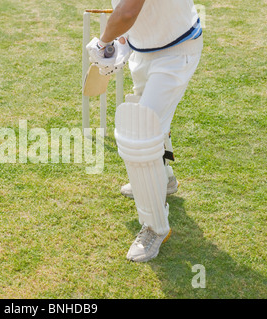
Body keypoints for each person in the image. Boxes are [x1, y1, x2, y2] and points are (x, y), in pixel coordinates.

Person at [87, 0, 203, 262]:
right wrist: (124, 42)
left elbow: (128, 11)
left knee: (142, 132)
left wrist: (102, 42)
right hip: (144, 51)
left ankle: (155, 228)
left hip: (176, 51)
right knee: (147, 114)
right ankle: (165, 178)